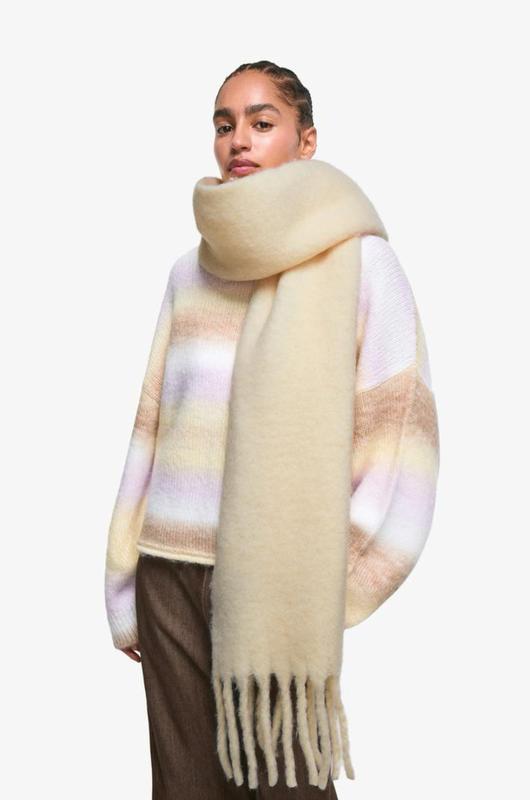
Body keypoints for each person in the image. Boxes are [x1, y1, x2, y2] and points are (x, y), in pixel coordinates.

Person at [104, 60, 440, 799]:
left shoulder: (361, 263)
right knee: (185, 789)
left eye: (262, 122)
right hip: (169, 572)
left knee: (288, 787)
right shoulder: (189, 274)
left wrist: (335, 576)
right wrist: (124, 581)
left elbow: (399, 439)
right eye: (225, 125)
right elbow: (151, 428)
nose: (239, 140)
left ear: (306, 140)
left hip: (275, 583)